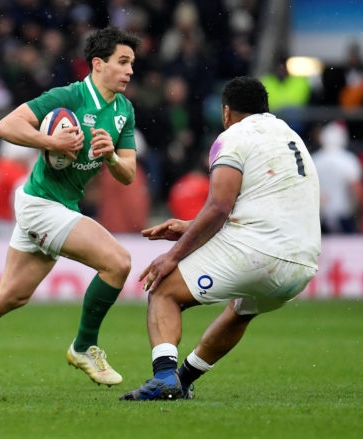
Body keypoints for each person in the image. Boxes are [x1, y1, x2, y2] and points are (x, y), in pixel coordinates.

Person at [0, 26, 141, 391]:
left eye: (131, 63)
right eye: (122, 62)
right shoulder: (69, 96)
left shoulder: (124, 110)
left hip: (60, 204)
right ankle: (84, 346)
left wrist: (111, 156)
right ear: (98, 64)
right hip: (42, 204)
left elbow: (128, 174)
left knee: (11, 295)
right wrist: (51, 142)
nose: (130, 70)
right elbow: (6, 126)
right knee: (118, 262)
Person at [120, 76, 321, 401]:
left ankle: (164, 377)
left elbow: (218, 207)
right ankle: (183, 380)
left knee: (163, 289)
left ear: (226, 112)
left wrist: (172, 256)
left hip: (258, 252)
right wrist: (192, 227)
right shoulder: (290, 136)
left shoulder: (234, 136)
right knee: (240, 311)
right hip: (303, 264)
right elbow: (266, 204)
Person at [311, 121, 363, 234]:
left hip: (320, 217)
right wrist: (358, 215)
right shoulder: (349, 160)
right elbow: (356, 190)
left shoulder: (314, 160)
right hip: (344, 216)